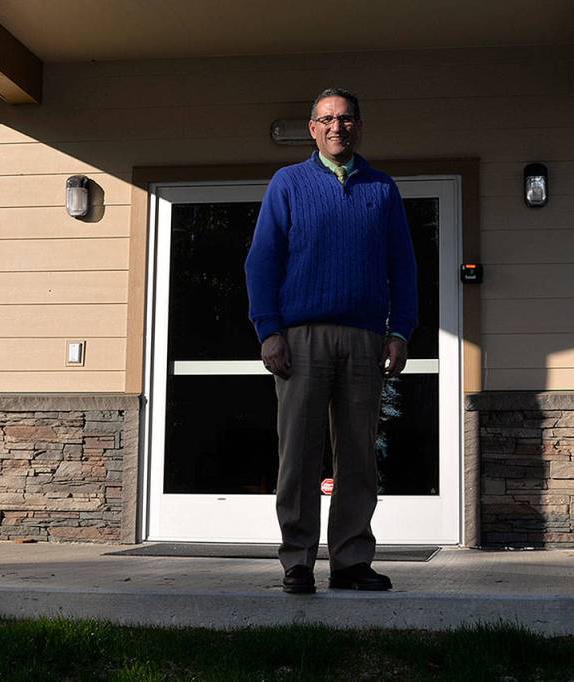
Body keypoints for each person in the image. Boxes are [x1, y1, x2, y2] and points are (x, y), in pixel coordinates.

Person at [244, 88, 418, 594]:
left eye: (345, 119)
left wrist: (400, 331)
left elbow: (402, 267)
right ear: (312, 128)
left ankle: (351, 561)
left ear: (358, 126)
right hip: (301, 339)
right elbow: (261, 261)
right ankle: (297, 561)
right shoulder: (288, 183)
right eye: (327, 119)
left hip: (365, 340)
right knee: (298, 454)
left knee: (359, 455)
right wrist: (268, 330)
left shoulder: (382, 189)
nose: (336, 127)